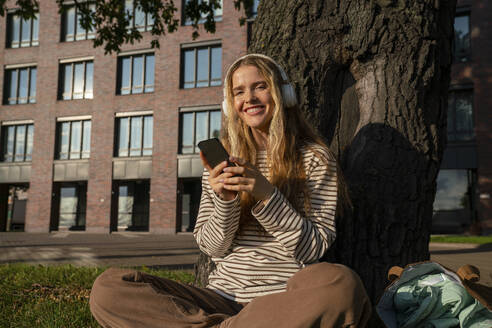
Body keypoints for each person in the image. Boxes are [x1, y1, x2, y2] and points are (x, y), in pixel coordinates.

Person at [89, 54, 372, 328]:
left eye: (260, 86)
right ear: (230, 103)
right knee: (109, 288)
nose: (248, 98)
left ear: (282, 94)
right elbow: (212, 247)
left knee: (342, 284)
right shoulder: (222, 162)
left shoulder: (314, 158)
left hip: (282, 302)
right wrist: (225, 201)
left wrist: (268, 195)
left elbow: (314, 248)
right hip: (220, 299)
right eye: (239, 92)